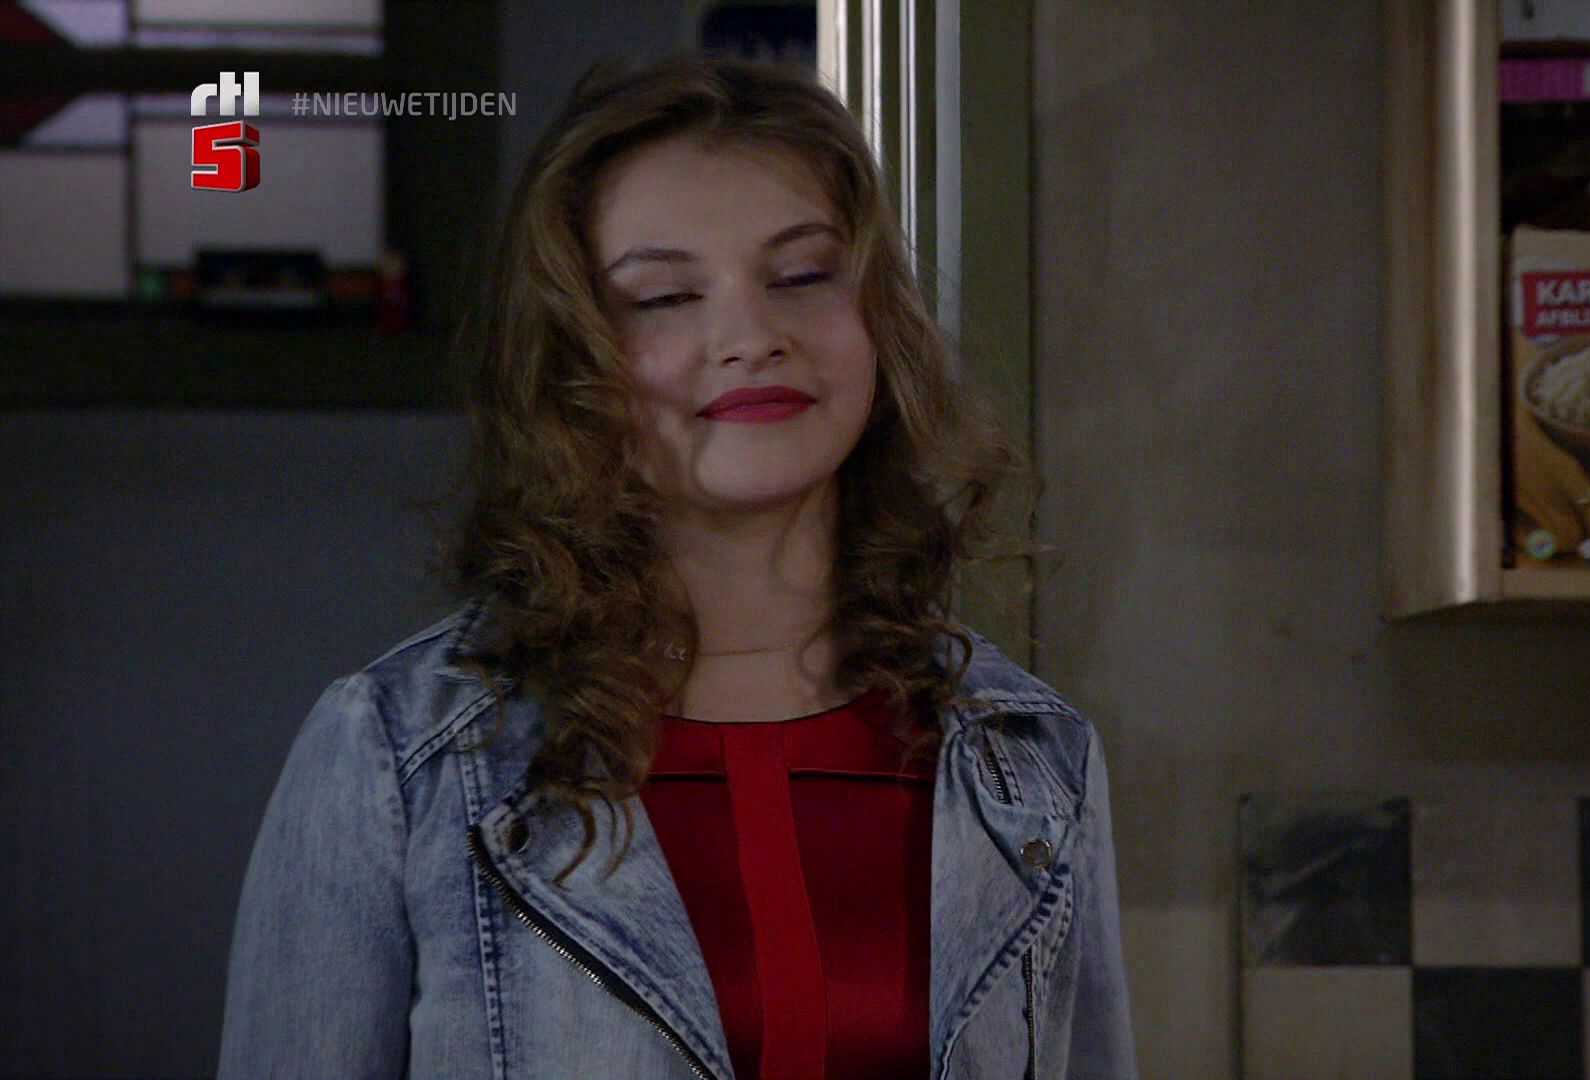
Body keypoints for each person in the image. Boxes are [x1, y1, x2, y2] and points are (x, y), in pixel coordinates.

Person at [217, 52, 1137, 1080]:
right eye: (663, 296)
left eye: (803, 275)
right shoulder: (396, 759)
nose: (751, 336)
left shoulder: (1034, 759)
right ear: (571, 362)